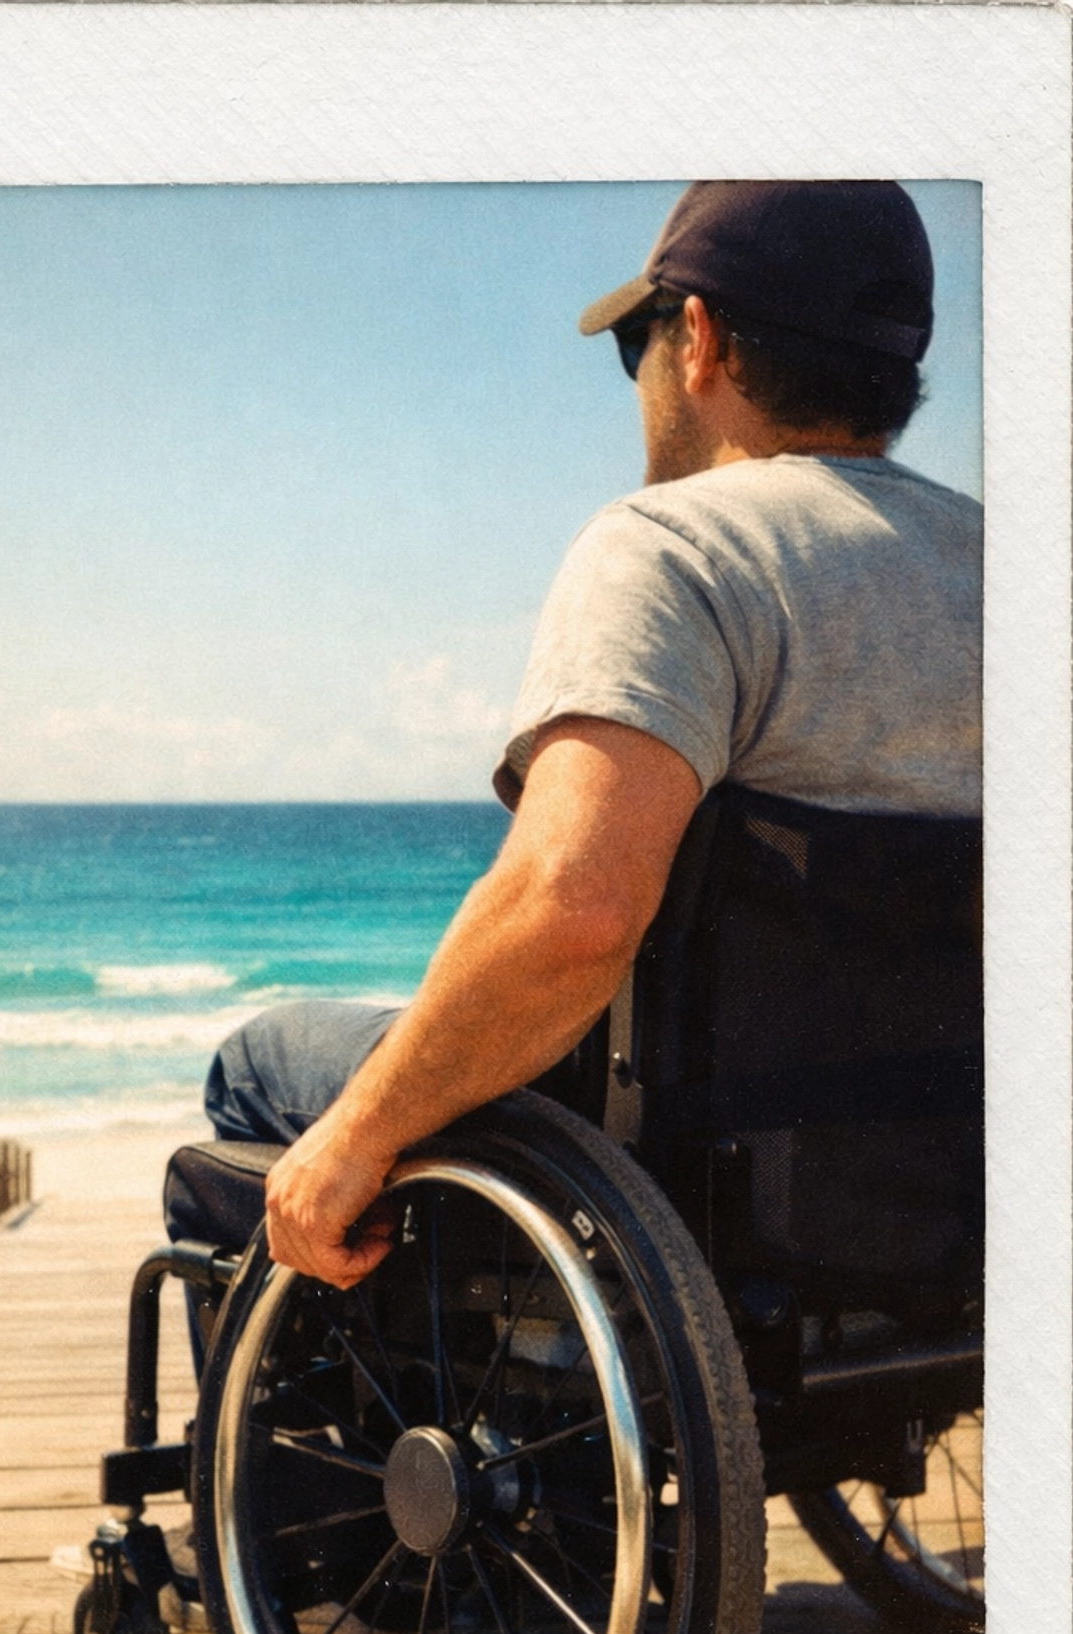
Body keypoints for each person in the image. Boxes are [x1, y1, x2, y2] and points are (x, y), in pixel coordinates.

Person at [198, 179, 983, 1289]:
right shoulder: (1022, 574)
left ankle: (277, 1462)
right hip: (945, 1192)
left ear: (700, 337)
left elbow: (574, 908)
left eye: (642, 345)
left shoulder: (677, 550)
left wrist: (358, 1135)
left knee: (253, 1069)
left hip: (680, 1195)